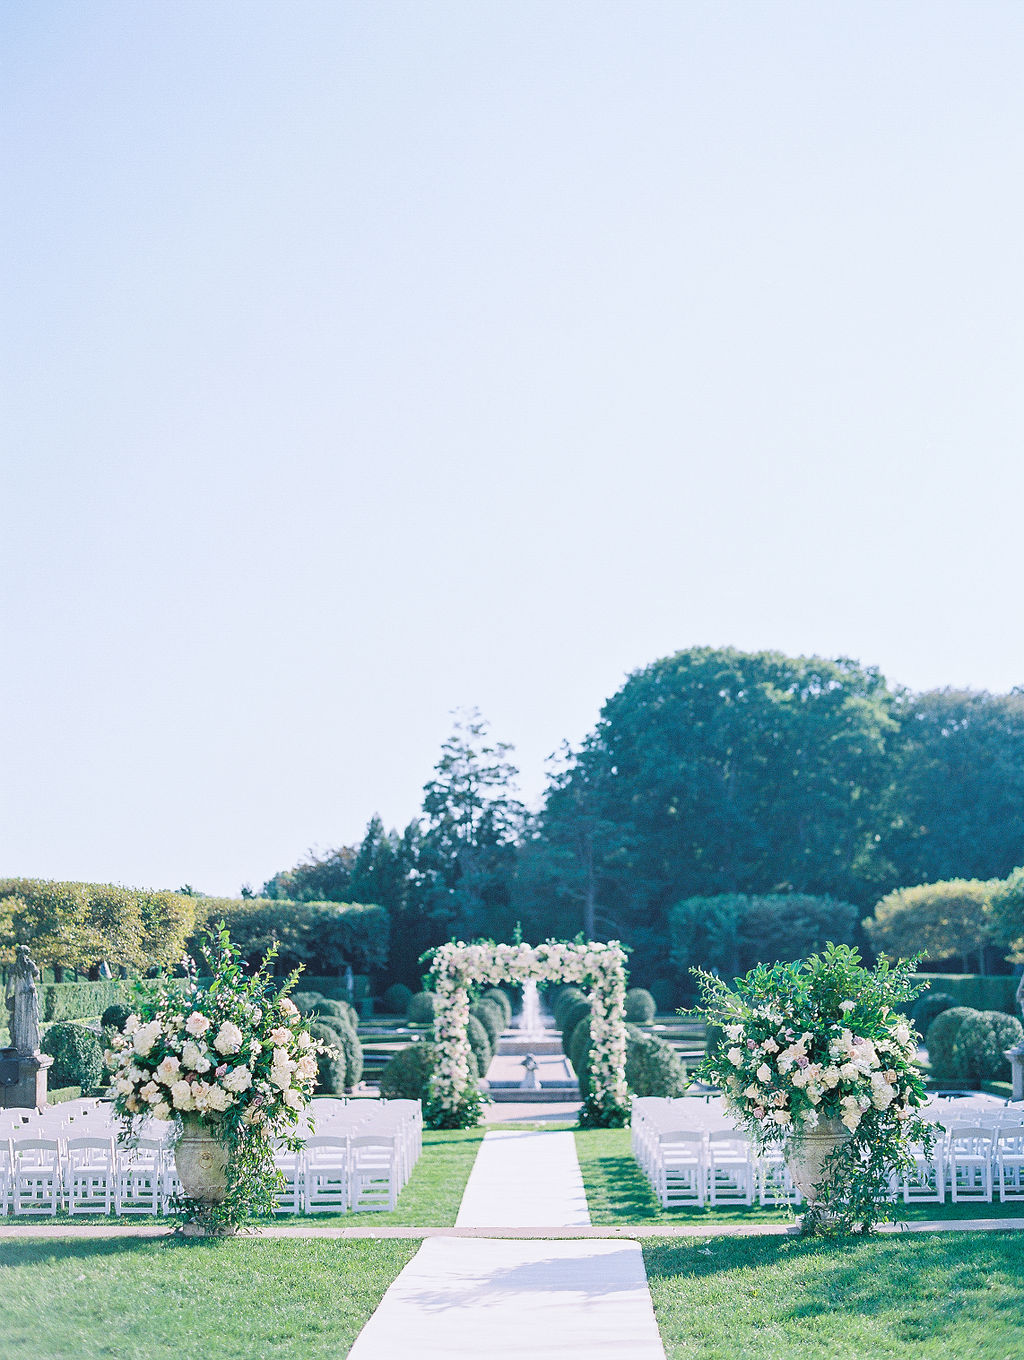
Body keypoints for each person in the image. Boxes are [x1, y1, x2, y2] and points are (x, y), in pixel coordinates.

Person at [5, 945, 42, 1055]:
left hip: (20, 995)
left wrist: (6, 996)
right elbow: (37, 977)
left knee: (20, 1019)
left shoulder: (14, 967)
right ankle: (30, 1044)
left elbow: (9, 984)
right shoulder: (30, 964)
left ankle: (20, 1045)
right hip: (29, 993)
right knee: (30, 1019)